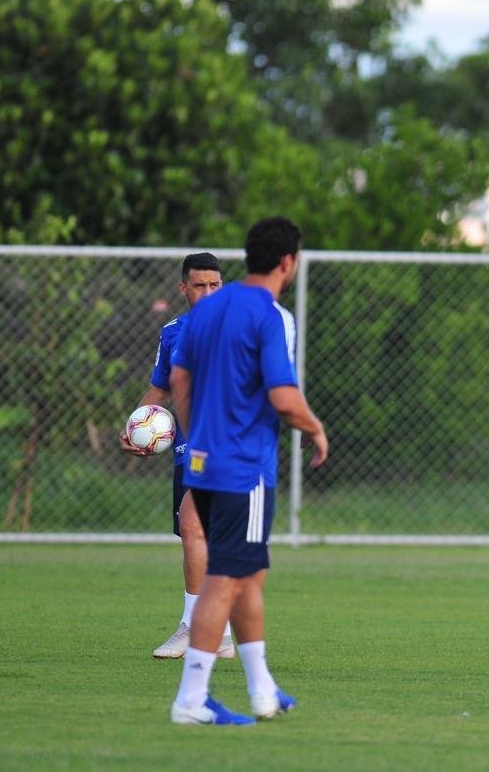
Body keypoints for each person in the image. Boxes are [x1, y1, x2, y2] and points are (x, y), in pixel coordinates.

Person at [168, 216, 329, 725]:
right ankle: (191, 699)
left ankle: (262, 689)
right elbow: (283, 397)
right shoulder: (269, 315)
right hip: (244, 469)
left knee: (248, 574)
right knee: (226, 578)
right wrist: (315, 428)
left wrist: (199, 438)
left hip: (204, 464)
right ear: (289, 262)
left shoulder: (209, 309)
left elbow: (179, 375)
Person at [119, 252, 236, 660]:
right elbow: (160, 390)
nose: (207, 293)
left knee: (193, 525)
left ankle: (195, 628)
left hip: (223, 443)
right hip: (188, 449)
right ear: (183, 289)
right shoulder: (173, 332)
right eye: (199, 285)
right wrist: (136, 424)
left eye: (214, 285)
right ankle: (217, 635)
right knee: (196, 534)